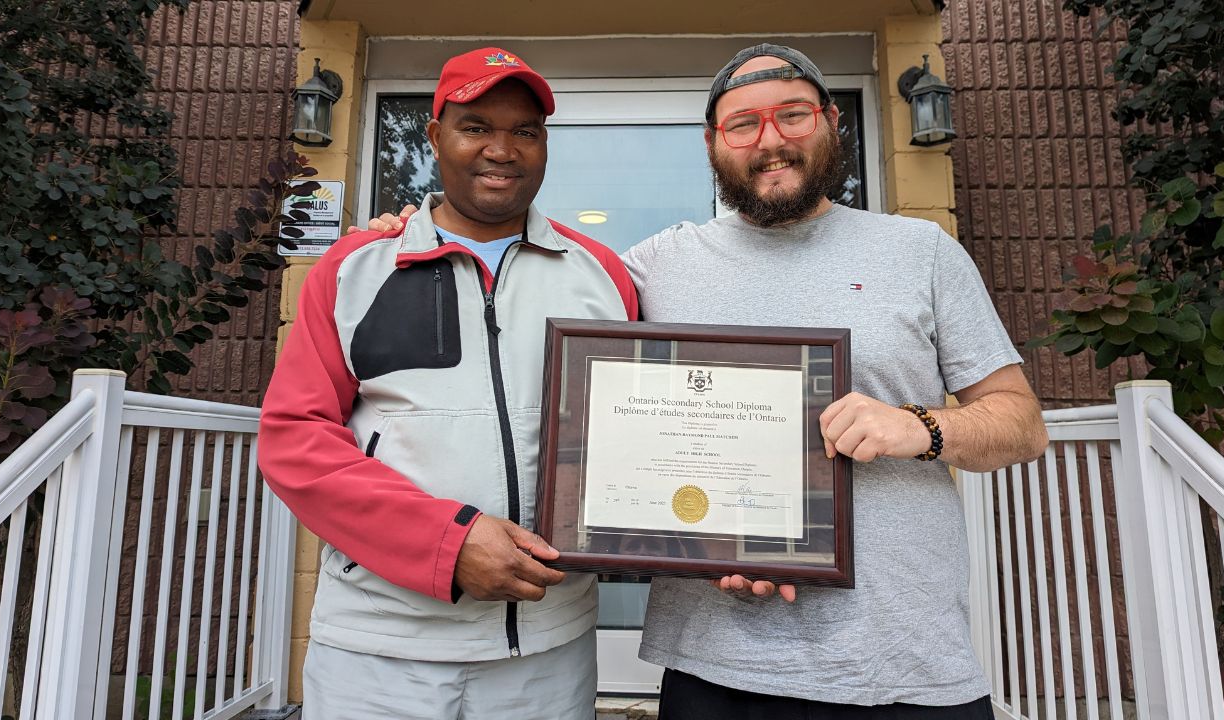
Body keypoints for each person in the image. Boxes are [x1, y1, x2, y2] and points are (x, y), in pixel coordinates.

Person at [364, 43, 1047, 720]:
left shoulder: (921, 252)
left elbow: (1020, 424)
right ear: (713, 143)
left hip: (900, 666)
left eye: (792, 115)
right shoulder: (653, 266)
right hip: (713, 664)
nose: (770, 141)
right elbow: (522, 297)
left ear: (831, 122)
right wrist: (411, 233)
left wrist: (920, 427)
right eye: (743, 124)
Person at [257, 47, 637, 720]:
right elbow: (295, 439)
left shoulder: (602, 275)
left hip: (546, 650)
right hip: (377, 654)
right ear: (435, 139)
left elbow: (643, 433)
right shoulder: (356, 269)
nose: (503, 149)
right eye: (477, 127)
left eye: (525, 131)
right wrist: (447, 542)